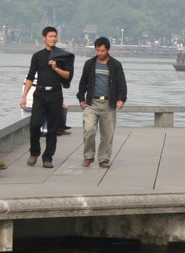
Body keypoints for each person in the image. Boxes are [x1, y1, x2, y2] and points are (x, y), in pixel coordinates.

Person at [19, 26, 74, 169]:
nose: (53, 39)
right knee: (35, 124)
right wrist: (24, 96)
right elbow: (30, 77)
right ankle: (34, 152)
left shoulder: (62, 56)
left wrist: (56, 68)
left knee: (53, 128)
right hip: (40, 94)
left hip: (55, 94)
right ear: (44, 38)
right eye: (50, 36)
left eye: (55, 36)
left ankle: (48, 157)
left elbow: (68, 76)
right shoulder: (37, 56)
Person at [76, 36, 128, 168]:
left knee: (107, 134)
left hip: (108, 104)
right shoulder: (89, 64)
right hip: (92, 103)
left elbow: (121, 84)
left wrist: (121, 99)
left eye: (102, 51)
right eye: (97, 50)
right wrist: (81, 99)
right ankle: (88, 156)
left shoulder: (116, 65)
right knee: (88, 130)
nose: (100, 53)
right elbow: (83, 83)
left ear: (108, 50)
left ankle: (103, 158)